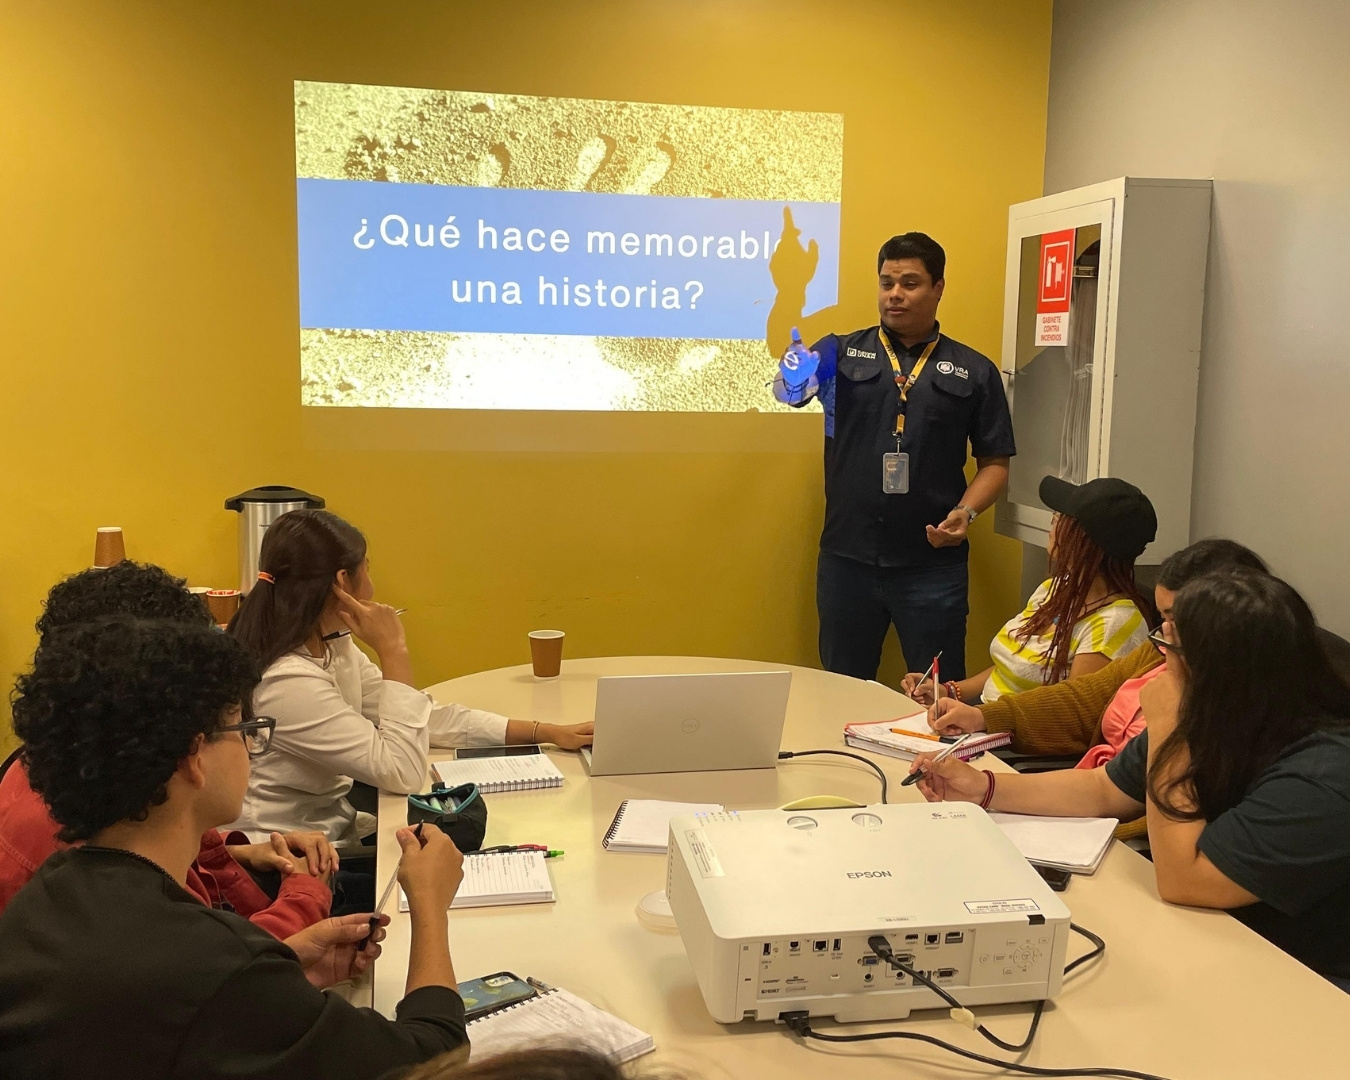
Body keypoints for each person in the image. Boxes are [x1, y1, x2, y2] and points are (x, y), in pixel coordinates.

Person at [0, 617, 471, 1077]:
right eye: (244, 728)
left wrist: (280, 973)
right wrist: (430, 906)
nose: (250, 746)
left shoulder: (45, 898)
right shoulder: (212, 966)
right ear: (194, 759)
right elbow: (434, 1057)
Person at [910, 570, 1350, 988]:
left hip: (1300, 974)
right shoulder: (1226, 712)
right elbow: (1104, 789)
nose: (1160, 659)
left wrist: (1168, 732)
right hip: (1209, 937)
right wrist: (985, 787)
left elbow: (1185, 881)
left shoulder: (1323, 771)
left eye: (1170, 645)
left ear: (1219, 669)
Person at [0, 561, 334, 937]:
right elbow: (206, 956)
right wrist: (306, 893)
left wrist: (239, 853)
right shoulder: (75, 843)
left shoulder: (73, 766)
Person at [226, 509, 593, 848]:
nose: (372, 586)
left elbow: (421, 717)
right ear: (342, 581)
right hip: (291, 860)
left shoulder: (332, 645)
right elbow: (402, 771)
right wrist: (394, 651)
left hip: (332, 835)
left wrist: (543, 732)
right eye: (367, 569)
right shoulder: (287, 681)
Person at [773, 232, 1015, 682]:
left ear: (938, 287)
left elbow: (996, 464)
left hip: (931, 565)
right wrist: (792, 372)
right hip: (848, 560)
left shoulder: (975, 370)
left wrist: (966, 512)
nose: (894, 294)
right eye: (886, 283)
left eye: (909, 283)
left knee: (937, 692)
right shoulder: (838, 351)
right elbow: (790, 393)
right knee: (841, 688)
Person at [925, 539, 1270, 765]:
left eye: (1175, 620)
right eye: (1163, 618)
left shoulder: (1228, 708)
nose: (1164, 632)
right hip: (1084, 786)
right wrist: (981, 716)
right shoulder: (1155, 654)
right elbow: (1082, 699)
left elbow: (1129, 794)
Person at [901, 475, 1155, 707]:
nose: (1051, 526)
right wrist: (949, 691)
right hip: (986, 716)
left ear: (1086, 542)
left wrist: (980, 720)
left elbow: (1070, 716)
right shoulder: (1055, 588)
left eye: (1059, 519)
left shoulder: (1114, 624)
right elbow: (1013, 668)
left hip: (1018, 735)